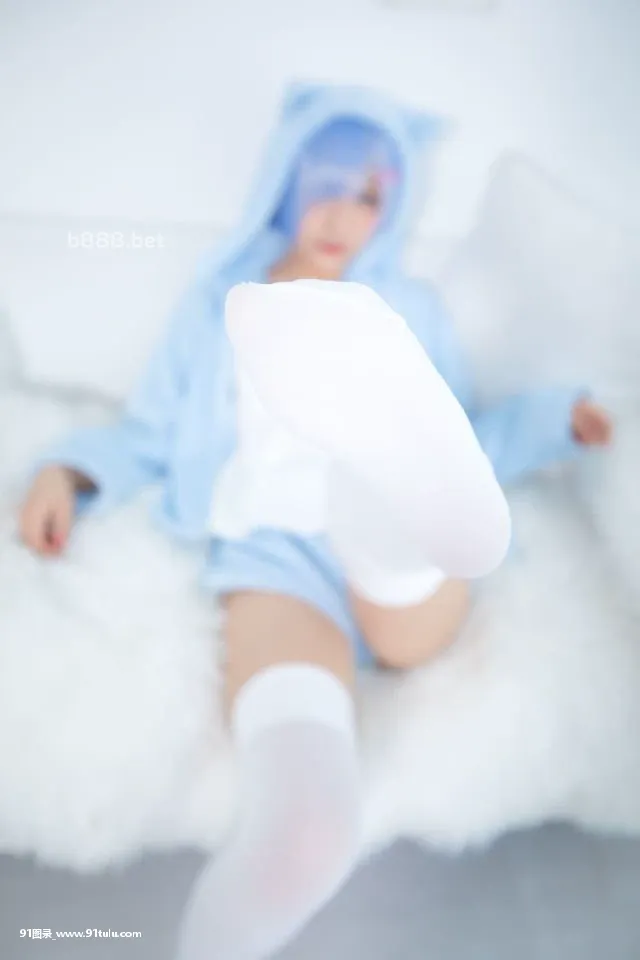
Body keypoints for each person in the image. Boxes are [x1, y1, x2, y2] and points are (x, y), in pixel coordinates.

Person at [19, 83, 613, 960]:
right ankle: (388, 508)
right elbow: (148, 433)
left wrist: (554, 421)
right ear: (285, 185)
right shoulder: (218, 305)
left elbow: (468, 435)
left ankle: (389, 510)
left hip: (402, 569)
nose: (344, 215)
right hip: (275, 564)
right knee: (306, 833)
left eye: (370, 197)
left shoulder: (406, 311)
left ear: (392, 210)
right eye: (327, 187)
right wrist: (67, 471)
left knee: (414, 527)